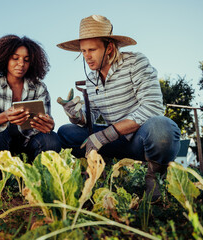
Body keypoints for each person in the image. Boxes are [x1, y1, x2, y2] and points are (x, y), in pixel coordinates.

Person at [56, 15, 181, 201]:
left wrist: (105, 135)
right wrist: (76, 116)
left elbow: (152, 107)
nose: (87, 56)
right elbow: (92, 118)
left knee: (162, 128)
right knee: (66, 132)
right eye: (83, 51)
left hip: (141, 140)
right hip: (115, 143)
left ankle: (154, 179)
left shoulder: (136, 63)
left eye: (92, 49)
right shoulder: (92, 79)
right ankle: (95, 172)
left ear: (110, 48)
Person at [0, 35, 61, 168]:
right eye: (15, 58)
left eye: (26, 60)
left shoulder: (39, 87)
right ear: (5, 59)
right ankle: (1, 180)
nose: (21, 64)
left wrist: (48, 125)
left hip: (30, 144)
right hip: (1, 145)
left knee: (52, 139)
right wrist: (4, 116)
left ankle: (37, 179)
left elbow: (45, 126)